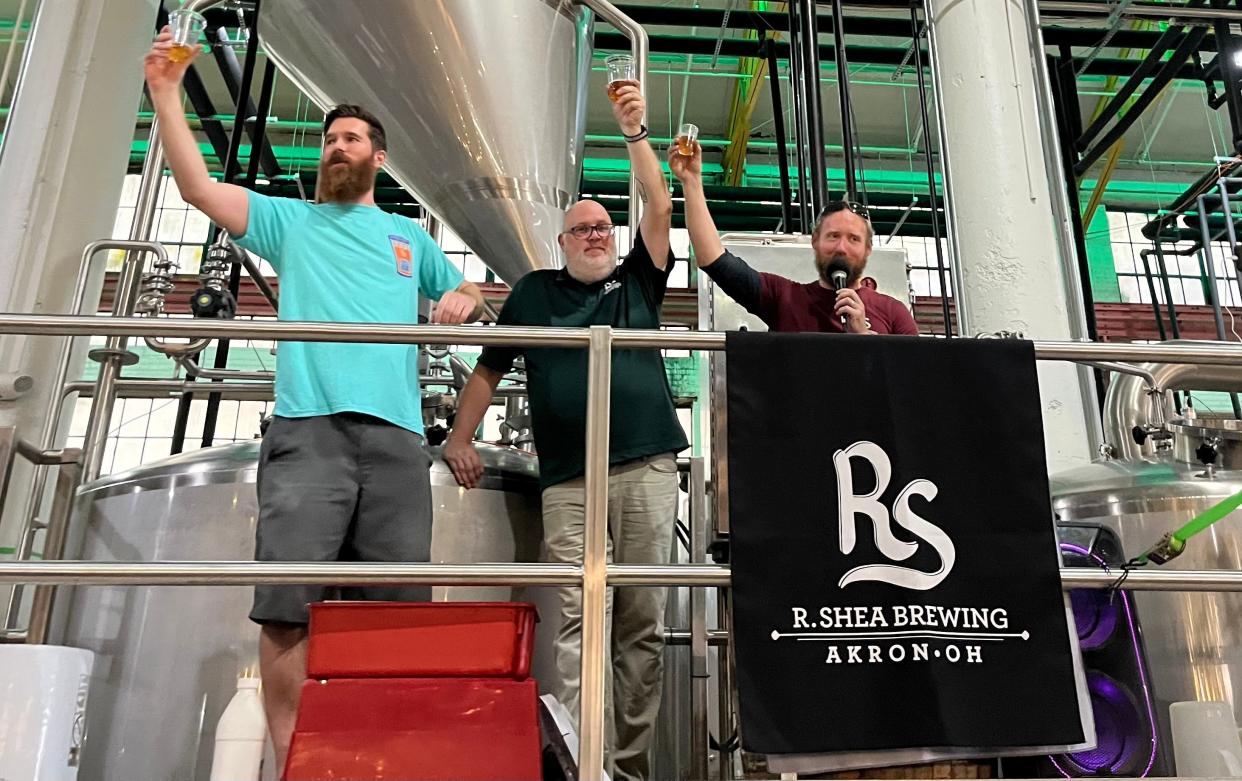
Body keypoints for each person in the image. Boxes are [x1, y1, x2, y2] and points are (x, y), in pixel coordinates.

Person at [144, 28, 485, 773]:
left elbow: (466, 292)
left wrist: (460, 296)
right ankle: (295, 760)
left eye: (352, 137)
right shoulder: (288, 220)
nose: (337, 146)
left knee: (396, 616)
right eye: (331, 137)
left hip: (397, 442)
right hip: (308, 433)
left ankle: (383, 759)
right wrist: (166, 93)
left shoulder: (407, 235)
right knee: (286, 609)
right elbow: (198, 188)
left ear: (378, 157)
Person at [442, 81, 686, 781]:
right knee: (580, 621)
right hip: (568, 479)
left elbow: (661, 205)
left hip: (646, 468)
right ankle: (589, 765)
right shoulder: (533, 291)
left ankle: (630, 767)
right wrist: (461, 437)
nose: (595, 235)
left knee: (641, 621)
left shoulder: (638, 281)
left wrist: (635, 133)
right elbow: (488, 369)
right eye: (582, 228)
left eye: (603, 227)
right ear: (561, 241)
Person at [669, 140, 919, 335]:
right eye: (833, 236)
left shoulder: (894, 313)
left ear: (867, 250)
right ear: (815, 242)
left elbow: (912, 383)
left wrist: (862, 335)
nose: (841, 247)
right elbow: (714, 260)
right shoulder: (784, 297)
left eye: (853, 239)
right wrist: (691, 182)